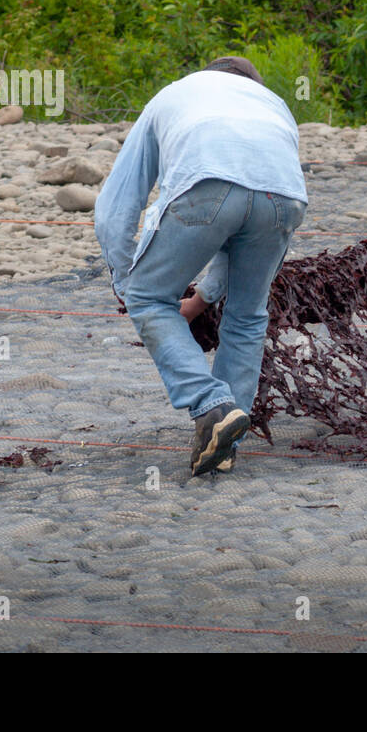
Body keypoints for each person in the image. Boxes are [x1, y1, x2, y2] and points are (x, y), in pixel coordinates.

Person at [94, 56, 308, 476]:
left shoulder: (172, 95)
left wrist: (126, 281)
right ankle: (223, 444)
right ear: (251, 83)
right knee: (247, 316)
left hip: (205, 183)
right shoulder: (273, 103)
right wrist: (203, 298)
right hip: (285, 198)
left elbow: (116, 205)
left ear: (207, 74)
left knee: (149, 297)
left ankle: (211, 407)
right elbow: (249, 206)